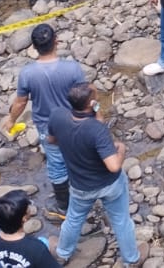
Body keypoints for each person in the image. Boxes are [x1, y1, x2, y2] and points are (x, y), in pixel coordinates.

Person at [0, 22, 86, 222]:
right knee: (77, 156)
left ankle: (63, 205)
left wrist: (11, 119)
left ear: (34, 47)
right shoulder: (72, 68)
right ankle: (84, 193)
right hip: (73, 121)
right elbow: (85, 96)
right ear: (56, 42)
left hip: (47, 126)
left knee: (56, 163)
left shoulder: (28, 73)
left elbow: (21, 102)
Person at [49, 83, 141, 265]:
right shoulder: (97, 131)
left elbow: (52, 139)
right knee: (121, 221)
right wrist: (121, 149)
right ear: (91, 103)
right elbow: (114, 166)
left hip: (80, 186)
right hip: (110, 185)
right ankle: (132, 259)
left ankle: (63, 253)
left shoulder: (58, 116)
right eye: (96, 98)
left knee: (73, 219)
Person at [0, 189, 61, 268]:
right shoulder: (36, 248)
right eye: (28, 209)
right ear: (24, 218)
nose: (30, 210)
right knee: (45, 241)